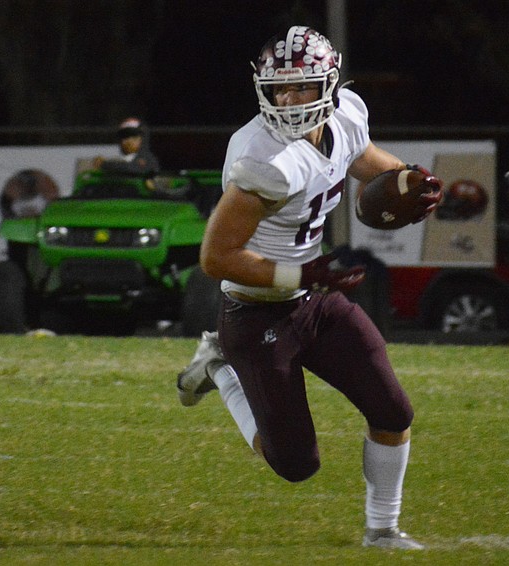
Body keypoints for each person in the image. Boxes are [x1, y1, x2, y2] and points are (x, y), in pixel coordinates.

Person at [175, 26, 442, 550]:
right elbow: (216, 257)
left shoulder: (346, 115)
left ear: (331, 85)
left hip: (314, 297)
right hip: (255, 312)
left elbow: (360, 158)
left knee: (393, 412)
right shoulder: (265, 160)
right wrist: (305, 275)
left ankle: (382, 531)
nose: (291, 99)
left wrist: (410, 179)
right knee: (296, 464)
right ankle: (221, 366)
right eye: (281, 89)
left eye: (303, 87)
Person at [93, 117, 160, 175]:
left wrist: (104, 164)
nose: (128, 141)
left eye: (133, 136)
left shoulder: (148, 158)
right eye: (125, 137)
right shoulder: (121, 159)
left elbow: (131, 169)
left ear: (142, 139)